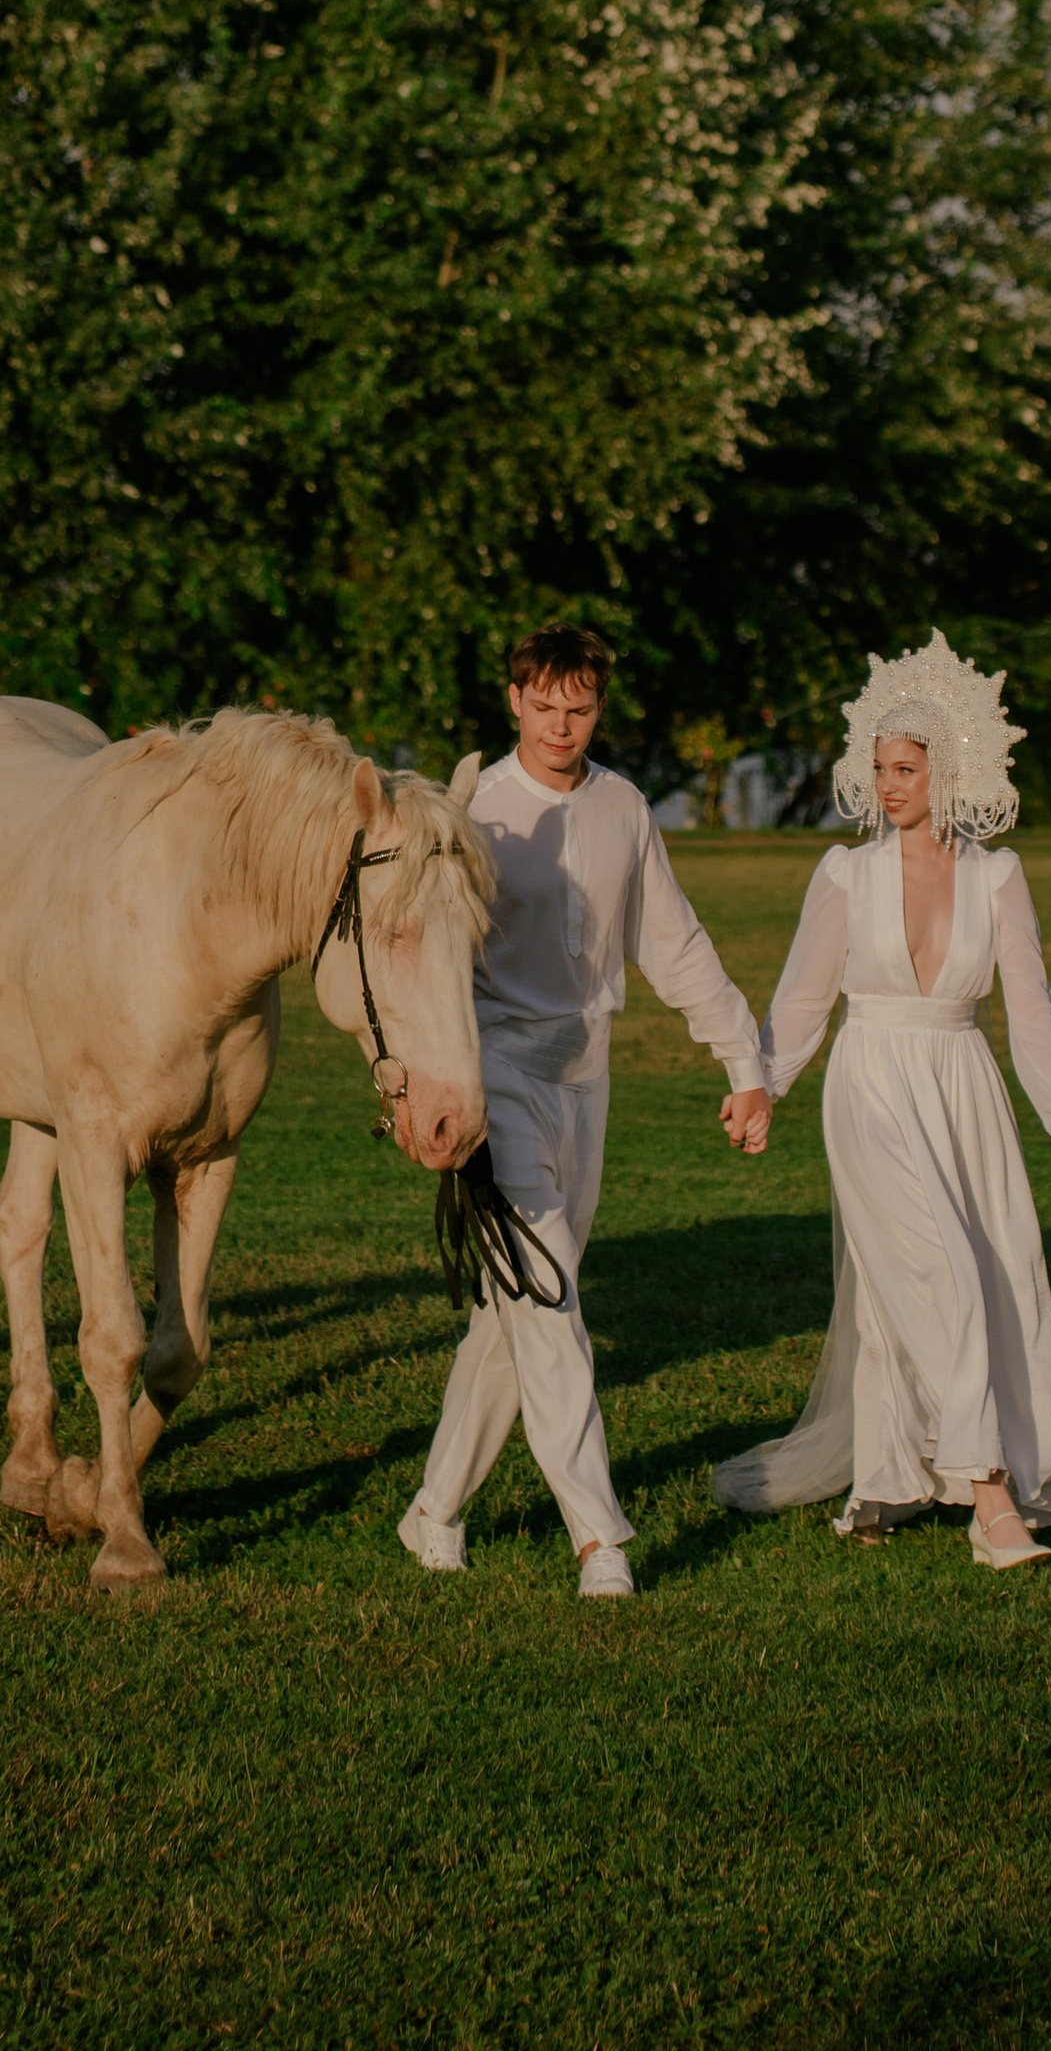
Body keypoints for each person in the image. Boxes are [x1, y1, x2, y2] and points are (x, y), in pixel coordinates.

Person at [396, 623, 773, 1598]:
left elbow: (673, 941)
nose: (561, 724)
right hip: (495, 1080)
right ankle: (599, 1539)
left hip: (586, 1085)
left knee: (511, 1314)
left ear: (597, 707)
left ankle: (433, 1510)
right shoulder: (470, 809)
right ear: (513, 698)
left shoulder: (623, 807)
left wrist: (742, 1059)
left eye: (580, 708)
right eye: (544, 705)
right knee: (550, 1296)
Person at [711, 631, 1051, 1568]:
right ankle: (990, 1497)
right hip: (873, 1080)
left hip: (964, 1088)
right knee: (939, 1274)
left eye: (907, 768)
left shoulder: (998, 876)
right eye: (879, 767)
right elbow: (804, 996)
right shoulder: (846, 873)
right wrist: (760, 1085)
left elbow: (1031, 1001)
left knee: (991, 1280)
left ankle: (888, 1472)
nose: (888, 785)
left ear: (951, 770)